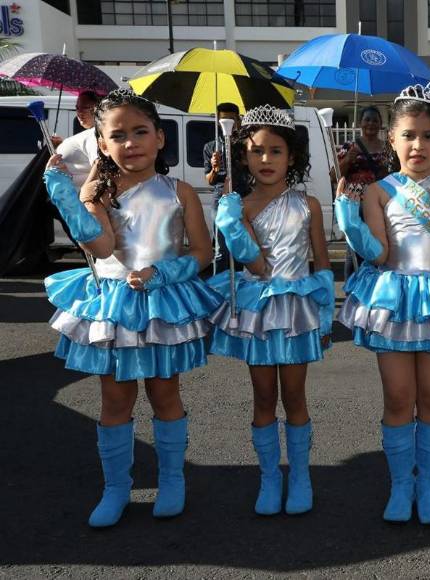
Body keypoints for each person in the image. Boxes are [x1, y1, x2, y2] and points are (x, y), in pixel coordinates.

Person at [42, 89, 220, 528]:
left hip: (162, 303)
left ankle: (172, 480)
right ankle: (115, 488)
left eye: (140, 131)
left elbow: (203, 251)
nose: (130, 142)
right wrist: (67, 197)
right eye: (117, 135)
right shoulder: (98, 194)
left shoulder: (179, 192)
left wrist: (166, 273)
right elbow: (101, 247)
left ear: (160, 138)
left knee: (165, 392)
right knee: (115, 398)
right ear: (102, 144)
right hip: (115, 305)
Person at [334, 81, 430, 525]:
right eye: (408, 135)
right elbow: (379, 253)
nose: (418, 145)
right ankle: (402, 483)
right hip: (396, 301)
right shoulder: (378, 191)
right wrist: (348, 219)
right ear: (392, 139)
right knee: (399, 397)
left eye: (428, 136)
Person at [207, 105, 334, 516]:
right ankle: (269, 477)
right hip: (258, 311)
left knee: (295, 395)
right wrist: (229, 220)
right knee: (263, 395)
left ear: (292, 157)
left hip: (295, 310)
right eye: (256, 151)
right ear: (242, 156)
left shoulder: (309, 204)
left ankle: (300, 476)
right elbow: (252, 262)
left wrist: (326, 315)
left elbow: (322, 263)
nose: (265, 159)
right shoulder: (238, 205)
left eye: (275, 151)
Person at [337, 107, 390, 278]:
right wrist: (348, 159)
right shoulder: (350, 147)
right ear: (360, 123)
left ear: (380, 124)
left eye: (375, 120)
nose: (371, 124)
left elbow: (393, 176)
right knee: (354, 248)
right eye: (367, 119)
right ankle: (352, 285)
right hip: (355, 205)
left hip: (379, 205)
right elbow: (334, 175)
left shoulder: (388, 148)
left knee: (377, 244)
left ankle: (374, 283)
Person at [204, 102, 250, 274]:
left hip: (243, 197)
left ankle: (237, 283)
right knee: (221, 249)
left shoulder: (246, 145)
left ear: (238, 120)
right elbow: (209, 180)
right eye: (224, 119)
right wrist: (214, 168)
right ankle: (220, 285)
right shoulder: (211, 147)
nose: (228, 123)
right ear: (218, 121)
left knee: (239, 246)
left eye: (231, 119)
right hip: (220, 200)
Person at [55, 90, 101, 187]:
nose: (79, 112)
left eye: (85, 108)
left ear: (97, 109)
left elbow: (99, 164)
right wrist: (61, 145)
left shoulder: (94, 134)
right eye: (77, 108)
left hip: (75, 194)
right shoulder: (89, 134)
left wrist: (85, 192)